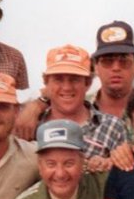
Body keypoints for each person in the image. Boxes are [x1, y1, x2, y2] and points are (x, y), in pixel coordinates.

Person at [16, 20, 134, 140]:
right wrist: (35, 106)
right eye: (107, 61)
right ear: (96, 67)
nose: (116, 68)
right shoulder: (78, 103)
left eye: (124, 61)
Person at [36, 43, 127, 171]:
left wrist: (110, 163)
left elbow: (126, 173)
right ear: (46, 82)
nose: (67, 87)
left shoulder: (112, 126)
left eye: (74, 79)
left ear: (88, 83)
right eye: (58, 79)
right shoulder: (32, 124)